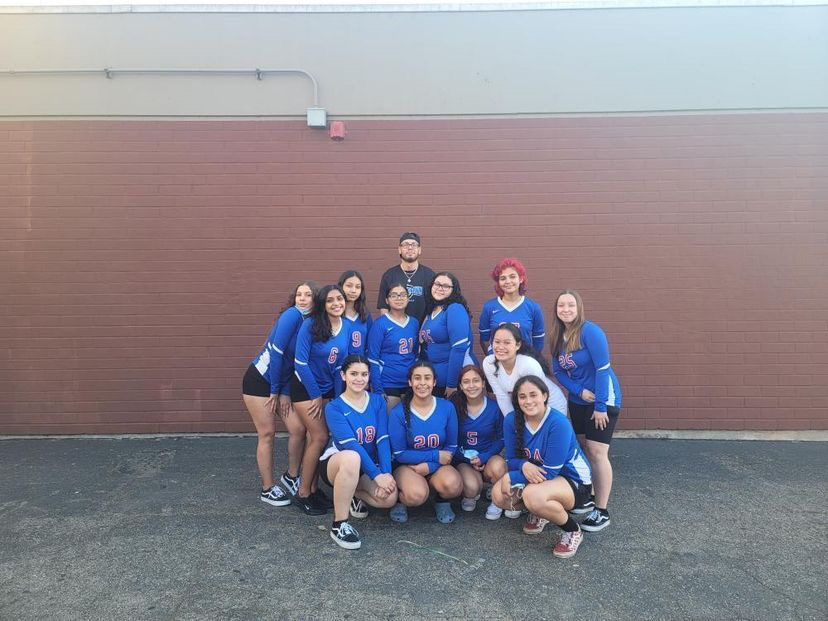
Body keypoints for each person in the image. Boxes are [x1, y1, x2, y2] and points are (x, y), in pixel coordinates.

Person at [492, 375, 592, 559]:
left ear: (545, 396)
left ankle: (572, 530)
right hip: (538, 476)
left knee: (533, 496)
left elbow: (551, 471)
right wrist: (523, 465)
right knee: (499, 496)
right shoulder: (512, 420)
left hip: (573, 480)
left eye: (533, 395)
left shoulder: (558, 423)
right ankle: (542, 512)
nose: (528, 401)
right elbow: (512, 459)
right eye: (522, 397)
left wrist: (512, 476)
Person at [550, 290, 622, 532]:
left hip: (603, 398)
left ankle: (602, 511)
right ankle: (588, 496)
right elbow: (558, 372)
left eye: (571, 305)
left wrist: (600, 406)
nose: (566, 309)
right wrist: (579, 392)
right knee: (583, 447)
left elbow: (602, 369)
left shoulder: (590, 331)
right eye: (561, 305)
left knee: (597, 452)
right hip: (579, 399)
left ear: (579, 307)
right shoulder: (557, 336)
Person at [242, 281, 317, 507]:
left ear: (316, 299)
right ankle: (267, 488)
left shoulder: (310, 323)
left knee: (298, 429)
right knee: (267, 433)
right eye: (299, 294)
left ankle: (291, 476)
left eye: (308, 295)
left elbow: (294, 363)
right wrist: (275, 390)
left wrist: (284, 392)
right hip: (259, 381)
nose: (302, 298)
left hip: (279, 384)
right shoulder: (292, 315)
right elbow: (276, 354)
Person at [320, 355, 398, 549]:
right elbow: (352, 445)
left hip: (367, 466)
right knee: (352, 457)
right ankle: (339, 524)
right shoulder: (334, 407)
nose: (359, 379)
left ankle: (353, 493)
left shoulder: (377, 401)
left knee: (389, 498)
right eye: (353, 374)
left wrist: (386, 474)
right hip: (338, 463)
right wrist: (377, 476)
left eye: (364, 374)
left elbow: (382, 439)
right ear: (343, 376)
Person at [291, 284, 353, 515]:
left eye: (340, 299)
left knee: (316, 439)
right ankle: (302, 493)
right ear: (322, 304)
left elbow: (340, 366)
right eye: (330, 300)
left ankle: (313, 489)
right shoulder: (310, 325)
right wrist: (316, 395)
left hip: (327, 389)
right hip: (305, 388)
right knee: (319, 437)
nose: (336, 304)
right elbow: (300, 363)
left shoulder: (346, 326)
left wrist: (337, 399)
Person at [388, 361, 462, 524]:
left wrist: (430, 466)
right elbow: (399, 454)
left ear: (434, 382)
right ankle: (400, 499)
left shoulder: (446, 407)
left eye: (427, 378)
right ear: (410, 382)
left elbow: (451, 446)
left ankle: (441, 500)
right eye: (417, 378)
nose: (422, 383)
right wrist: (434, 455)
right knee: (416, 495)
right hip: (408, 466)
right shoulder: (398, 412)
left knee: (454, 485)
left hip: (438, 465)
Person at [449, 365, 510, 520]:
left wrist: (484, 456)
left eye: (476, 380)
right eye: (466, 382)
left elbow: (502, 438)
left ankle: (497, 499)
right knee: (471, 489)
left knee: (499, 467)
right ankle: (474, 490)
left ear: (483, 383)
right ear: (460, 386)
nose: (471, 385)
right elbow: (449, 441)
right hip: (464, 459)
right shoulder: (454, 408)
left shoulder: (495, 407)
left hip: (487, 456)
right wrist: (467, 459)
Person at [482, 323, 568, 419]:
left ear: (517, 345)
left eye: (507, 343)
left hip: (550, 405)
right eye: (497, 342)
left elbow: (537, 398)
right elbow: (502, 396)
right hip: (525, 407)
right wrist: (511, 420)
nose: (501, 347)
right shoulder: (489, 364)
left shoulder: (528, 365)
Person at [419, 272, 477, 397]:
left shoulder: (455, 309)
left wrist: (451, 384)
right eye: (437, 284)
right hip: (436, 377)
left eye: (446, 286)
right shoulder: (432, 309)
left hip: (453, 379)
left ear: (453, 290)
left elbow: (459, 348)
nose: (440, 288)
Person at [366, 283, 420, 413]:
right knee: (390, 420)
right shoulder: (380, 324)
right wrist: (378, 389)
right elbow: (373, 358)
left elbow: (415, 354)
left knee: (410, 421)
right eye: (394, 295)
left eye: (402, 295)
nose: (398, 298)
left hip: (410, 382)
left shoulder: (414, 322)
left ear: (408, 298)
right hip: (388, 382)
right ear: (387, 300)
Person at [478, 258, 545, 355]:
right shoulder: (489, 307)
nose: (508, 281)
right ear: (498, 282)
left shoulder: (533, 308)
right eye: (503, 278)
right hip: (499, 360)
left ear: (521, 279)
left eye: (512, 277)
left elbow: (538, 341)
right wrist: (493, 357)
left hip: (524, 360)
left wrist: (530, 359)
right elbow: (484, 339)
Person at [377, 232, 435, 324]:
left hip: (423, 329)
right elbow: (383, 307)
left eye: (414, 244)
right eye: (406, 244)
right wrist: (390, 328)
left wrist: (423, 329)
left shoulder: (430, 275)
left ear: (419, 250)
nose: (410, 247)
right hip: (396, 329)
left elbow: (433, 308)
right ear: (399, 249)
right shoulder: (389, 275)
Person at [338, 270, 373, 356]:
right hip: (340, 362)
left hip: (360, 361)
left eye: (358, 287)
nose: (353, 290)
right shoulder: (334, 314)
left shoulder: (365, 313)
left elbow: (370, 343)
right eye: (349, 286)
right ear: (341, 286)